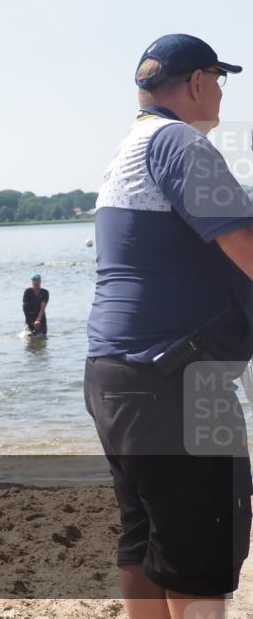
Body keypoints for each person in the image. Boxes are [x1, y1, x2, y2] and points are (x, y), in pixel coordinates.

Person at [85, 33, 253, 616]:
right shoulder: (181, 143)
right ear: (199, 82)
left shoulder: (129, 150)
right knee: (200, 547)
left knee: (146, 539)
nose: (222, 95)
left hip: (115, 378)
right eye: (220, 81)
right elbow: (245, 245)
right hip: (173, 382)